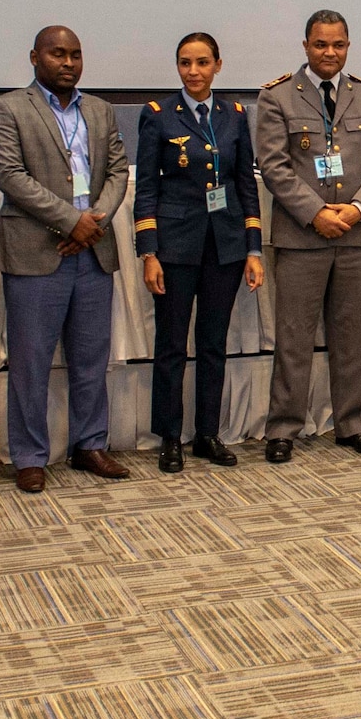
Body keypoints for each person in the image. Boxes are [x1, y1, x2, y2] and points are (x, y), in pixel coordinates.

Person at [0, 26, 131, 492]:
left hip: (93, 250)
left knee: (92, 359)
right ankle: (29, 455)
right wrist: (72, 221)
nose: (67, 63)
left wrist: (96, 220)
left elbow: (117, 172)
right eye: (57, 54)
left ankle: (90, 445)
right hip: (36, 250)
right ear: (34, 57)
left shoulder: (100, 110)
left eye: (75, 54)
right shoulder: (8, 108)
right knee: (31, 361)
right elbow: (10, 175)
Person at [255, 9, 361, 462]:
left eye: (337, 45)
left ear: (348, 46)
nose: (329, 53)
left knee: (353, 336)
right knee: (294, 336)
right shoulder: (277, 97)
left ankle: (352, 424)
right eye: (320, 45)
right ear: (305, 46)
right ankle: (283, 427)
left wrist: (354, 210)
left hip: (354, 236)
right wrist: (316, 214)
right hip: (301, 237)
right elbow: (274, 168)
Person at [135, 33, 263, 472]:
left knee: (213, 344)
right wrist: (149, 252)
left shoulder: (235, 115)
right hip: (175, 247)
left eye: (203, 62)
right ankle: (170, 437)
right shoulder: (158, 116)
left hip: (224, 247)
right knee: (171, 345)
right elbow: (147, 188)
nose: (194, 71)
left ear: (218, 66)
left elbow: (245, 184)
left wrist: (253, 248)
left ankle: (207, 434)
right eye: (186, 63)